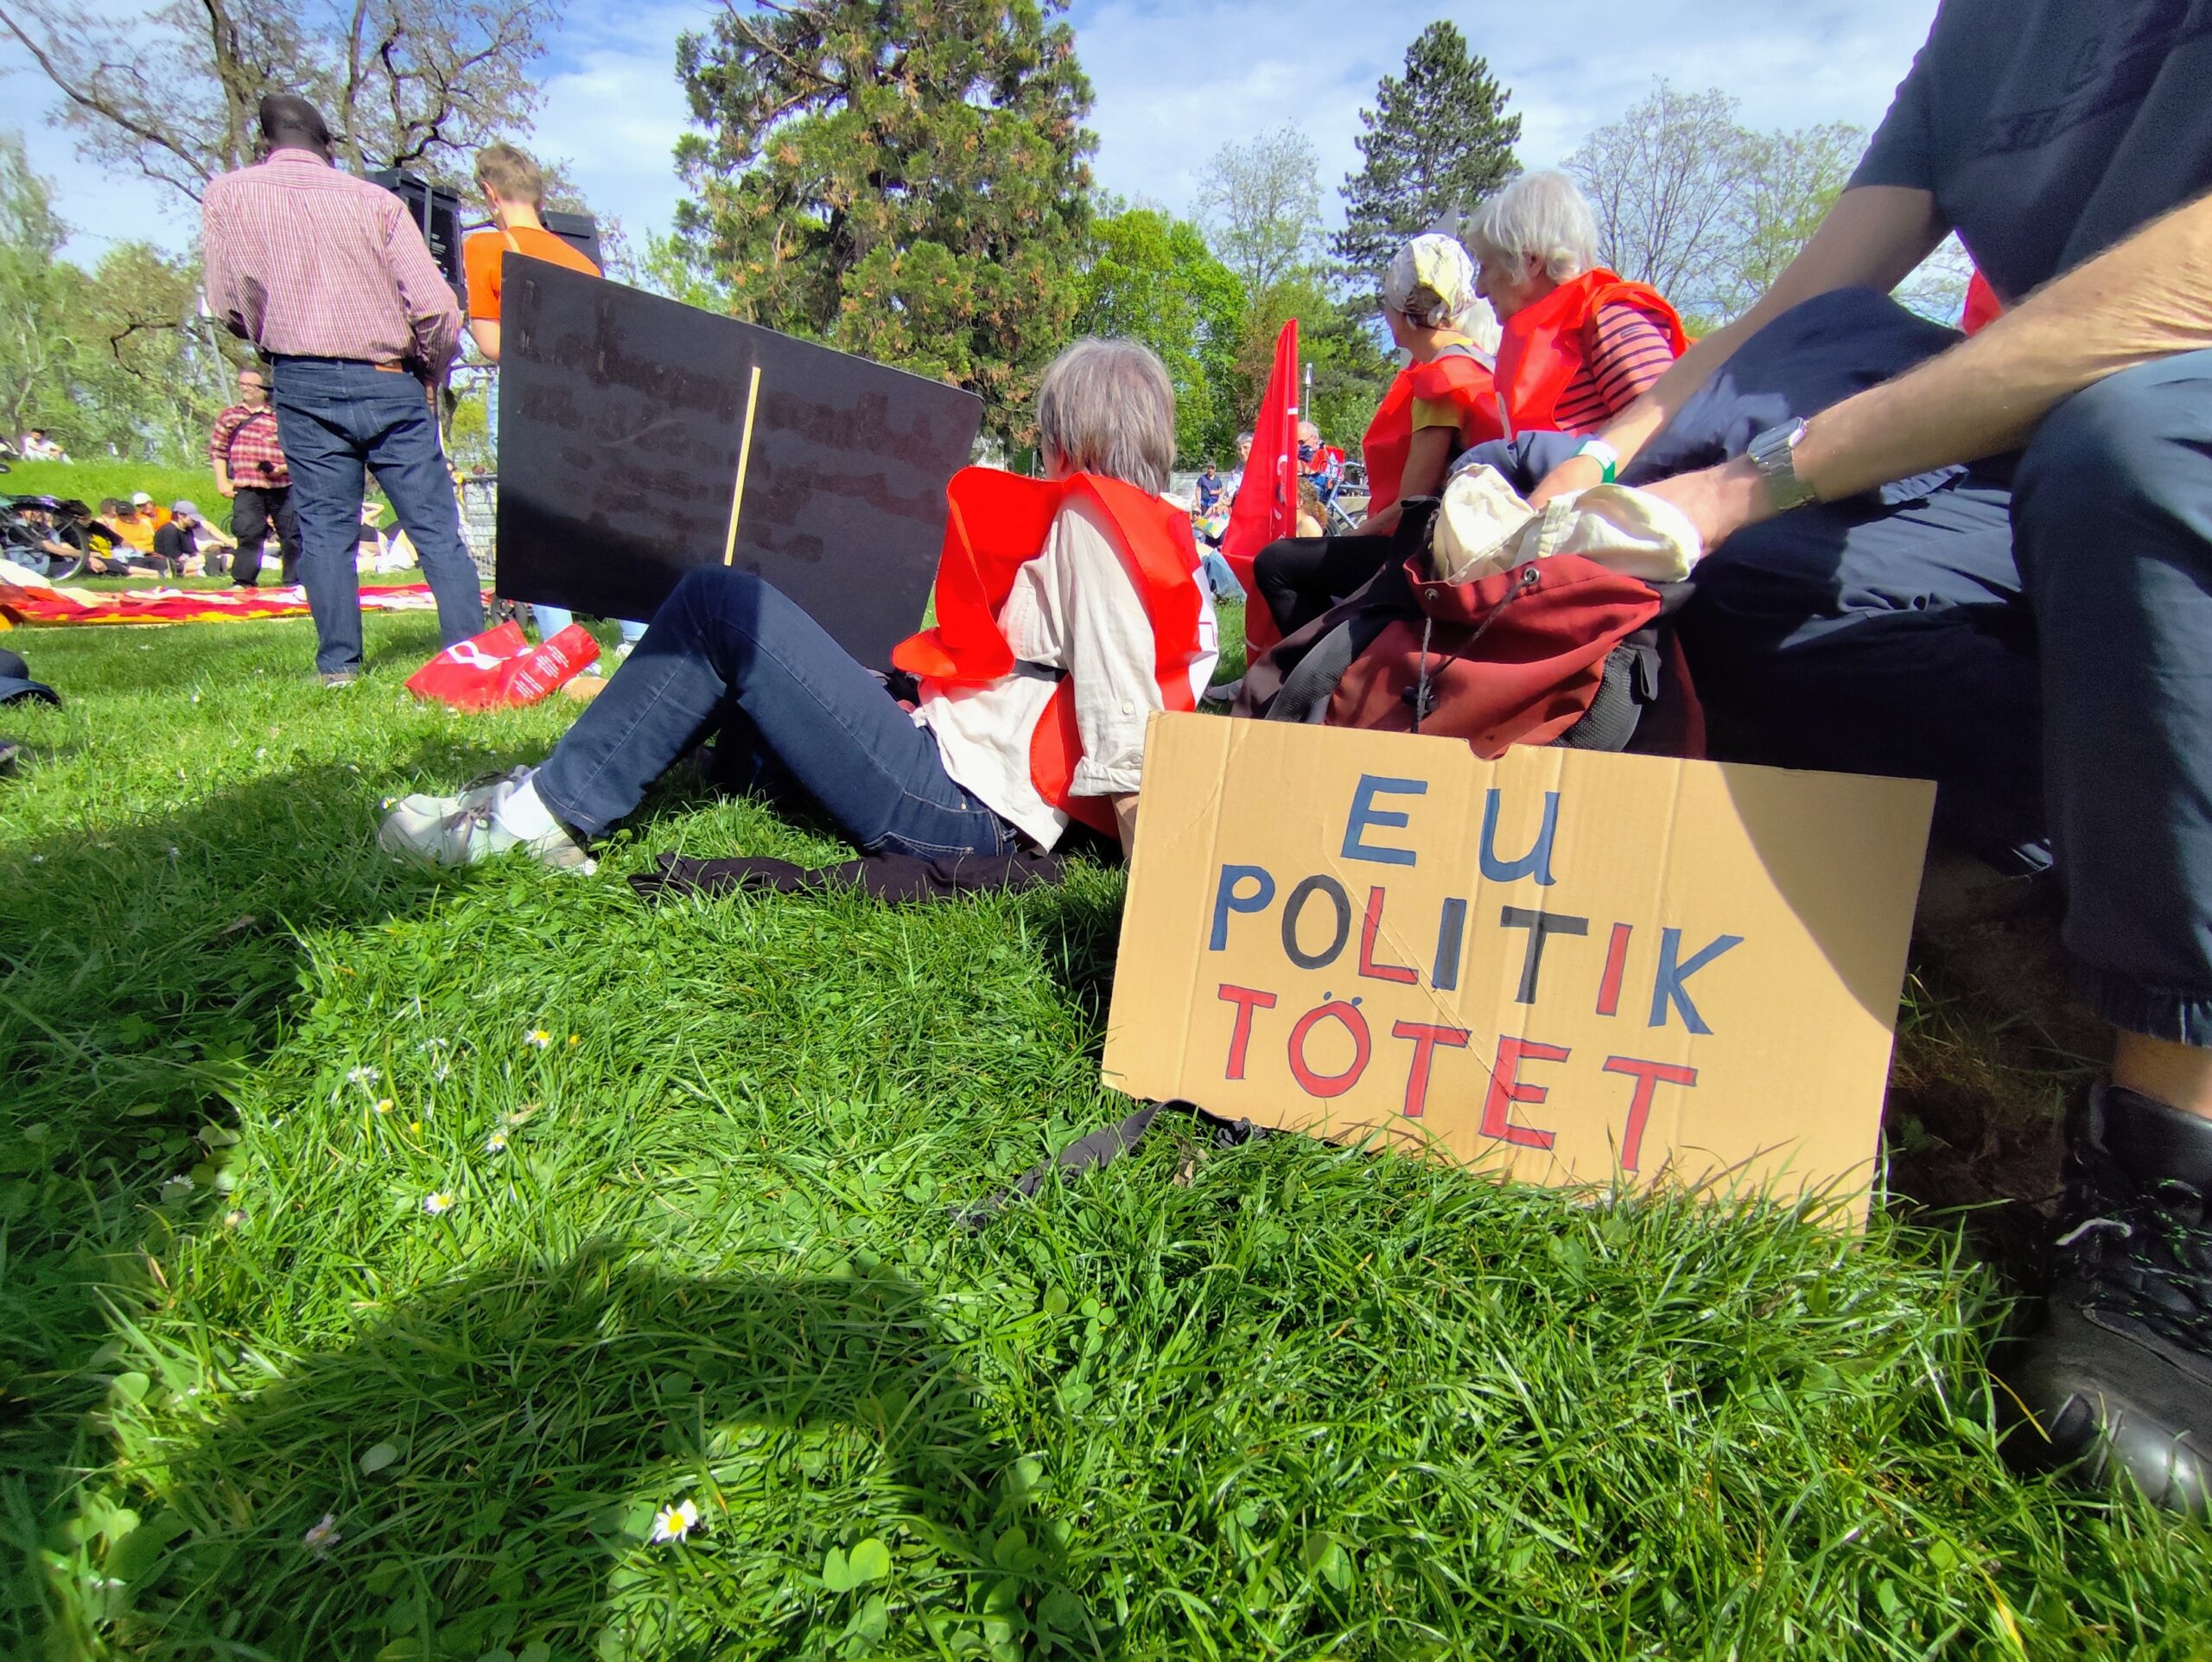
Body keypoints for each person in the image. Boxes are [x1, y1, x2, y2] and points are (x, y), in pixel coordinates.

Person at [1515, 0, 2212, 1511]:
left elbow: (2186, 291)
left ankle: (2172, 1177)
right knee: (1678, 583)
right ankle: (2074, 832)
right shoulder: (1985, 32)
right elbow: (1810, 298)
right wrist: (1602, 460)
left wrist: (1747, 483)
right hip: (2020, 451)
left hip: (2163, 405)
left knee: (2125, 452)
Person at [379, 338, 1217, 873]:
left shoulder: (1095, 525)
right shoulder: (1161, 537)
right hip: (961, 771)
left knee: (722, 607)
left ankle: (538, 819)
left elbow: (1125, 727)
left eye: (1043, 434)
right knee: (761, 694)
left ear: (1066, 437)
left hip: (967, 808)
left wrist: (1160, 911)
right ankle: (582, 776)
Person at [200, 93, 485, 686]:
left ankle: (338, 666)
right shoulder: (377, 202)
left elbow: (229, 301)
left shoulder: (229, 195)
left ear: (265, 143)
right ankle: (470, 660)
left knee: (326, 530)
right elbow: (437, 307)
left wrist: (269, 330)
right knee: (435, 528)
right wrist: (429, 372)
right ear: (329, 146)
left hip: (300, 378)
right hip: (388, 376)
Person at [1248, 234, 1503, 640]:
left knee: (1275, 564)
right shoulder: (1480, 363)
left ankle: (1331, 669)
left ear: (1404, 311)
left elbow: (1411, 505)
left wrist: (1355, 534)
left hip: (1429, 554)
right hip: (1469, 545)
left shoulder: (1441, 381)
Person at [461, 143, 639, 665]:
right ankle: (636, 631)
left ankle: (562, 647)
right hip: (581, 401)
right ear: (540, 198)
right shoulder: (581, 263)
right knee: (595, 514)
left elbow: (491, 343)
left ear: (489, 193)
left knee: (536, 523)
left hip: (524, 394)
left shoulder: (485, 248)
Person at [1465, 170, 1687, 441]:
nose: (1480, 289)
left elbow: (1667, 435)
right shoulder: (1527, 343)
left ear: (1531, 261)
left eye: (1486, 267)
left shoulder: (1609, 321)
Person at [211, 365, 298, 588]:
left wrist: (282, 468)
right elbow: (218, 451)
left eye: (251, 385)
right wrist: (222, 481)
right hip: (247, 485)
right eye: (243, 384)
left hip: (282, 484)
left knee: (292, 532)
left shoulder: (281, 416)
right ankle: (244, 579)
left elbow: (298, 450)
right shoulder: (230, 416)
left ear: (264, 389)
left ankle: (295, 579)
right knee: (249, 532)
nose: (246, 388)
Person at [153, 501, 234, 576]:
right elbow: (174, 557)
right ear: (180, 515)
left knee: (229, 558)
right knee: (216, 561)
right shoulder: (170, 531)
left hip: (190, 560)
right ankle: (209, 568)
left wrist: (200, 556)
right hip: (173, 564)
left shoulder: (187, 529)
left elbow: (192, 551)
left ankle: (213, 567)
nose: (195, 521)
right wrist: (199, 559)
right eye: (192, 518)